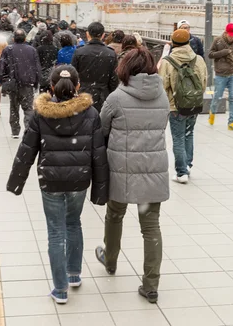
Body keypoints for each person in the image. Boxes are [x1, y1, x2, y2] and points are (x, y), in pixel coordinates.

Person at [7, 65, 109, 305]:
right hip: (79, 180)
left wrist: (16, 182)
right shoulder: (91, 113)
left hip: (50, 179)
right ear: (78, 86)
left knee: (55, 231)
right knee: (74, 223)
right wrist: (101, 188)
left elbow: (27, 149)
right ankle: (74, 274)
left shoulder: (40, 113)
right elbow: (98, 153)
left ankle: (60, 289)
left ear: (51, 86)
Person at [95, 47, 169, 304]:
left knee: (115, 215)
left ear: (125, 68)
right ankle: (151, 285)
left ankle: (111, 260)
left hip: (122, 170)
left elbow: (101, 129)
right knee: (151, 228)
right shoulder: (162, 96)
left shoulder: (117, 97)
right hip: (153, 170)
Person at [159, 29, 207, 184]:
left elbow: (162, 85)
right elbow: (203, 81)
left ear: (173, 43)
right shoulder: (198, 59)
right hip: (194, 104)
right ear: (189, 42)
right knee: (189, 134)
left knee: (178, 137)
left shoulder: (167, 61)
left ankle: (181, 172)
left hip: (175, 105)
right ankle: (187, 165)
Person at [0, 29, 41, 138]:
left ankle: (15, 130)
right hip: (28, 84)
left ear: (13, 39)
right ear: (25, 38)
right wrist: (36, 82)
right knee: (28, 109)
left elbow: (1, 67)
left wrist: (3, 81)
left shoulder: (8, 49)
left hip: (13, 83)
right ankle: (29, 130)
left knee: (14, 107)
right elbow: (37, 68)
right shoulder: (32, 50)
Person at [72, 22, 118, 112]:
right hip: (103, 94)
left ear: (87, 34)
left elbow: (73, 75)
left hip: (83, 93)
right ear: (103, 35)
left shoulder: (79, 52)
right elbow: (114, 79)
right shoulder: (111, 53)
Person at [209, 23, 233, 132]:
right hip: (220, 74)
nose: (232, 37)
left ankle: (231, 122)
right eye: (231, 35)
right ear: (226, 33)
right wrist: (223, 52)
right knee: (217, 96)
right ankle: (212, 112)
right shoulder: (218, 41)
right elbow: (210, 54)